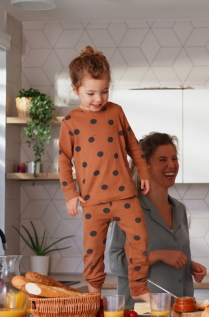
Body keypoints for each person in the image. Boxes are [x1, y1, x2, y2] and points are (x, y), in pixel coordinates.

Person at [58, 45, 150, 301]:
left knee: (140, 238)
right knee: (93, 251)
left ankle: (139, 288)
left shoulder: (116, 111)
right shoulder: (70, 122)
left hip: (124, 196)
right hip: (91, 200)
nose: (98, 99)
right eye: (90, 93)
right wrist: (70, 194)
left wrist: (143, 171)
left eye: (104, 91)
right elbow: (64, 160)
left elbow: (133, 145)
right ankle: (94, 294)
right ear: (75, 89)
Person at [108, 132, 207, 305]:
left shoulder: (179, 209)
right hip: (141, 314)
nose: (172, 165)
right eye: (162, 160)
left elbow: (171, 252)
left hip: (179, 308)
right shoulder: (128, 209)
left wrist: (188, 265)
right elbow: (115, 263)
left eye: (174, 158)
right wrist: (159, 255)